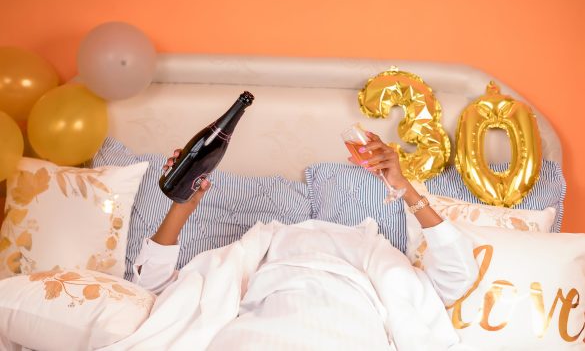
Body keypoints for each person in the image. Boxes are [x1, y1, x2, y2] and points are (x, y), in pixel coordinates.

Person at [123, 132, 479, 351]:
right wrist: (183, 206)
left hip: (350, 328)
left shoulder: (377, 251)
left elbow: (458, 273)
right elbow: (151, 284)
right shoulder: (260, 245)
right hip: (261, 328)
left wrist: (404, 188)